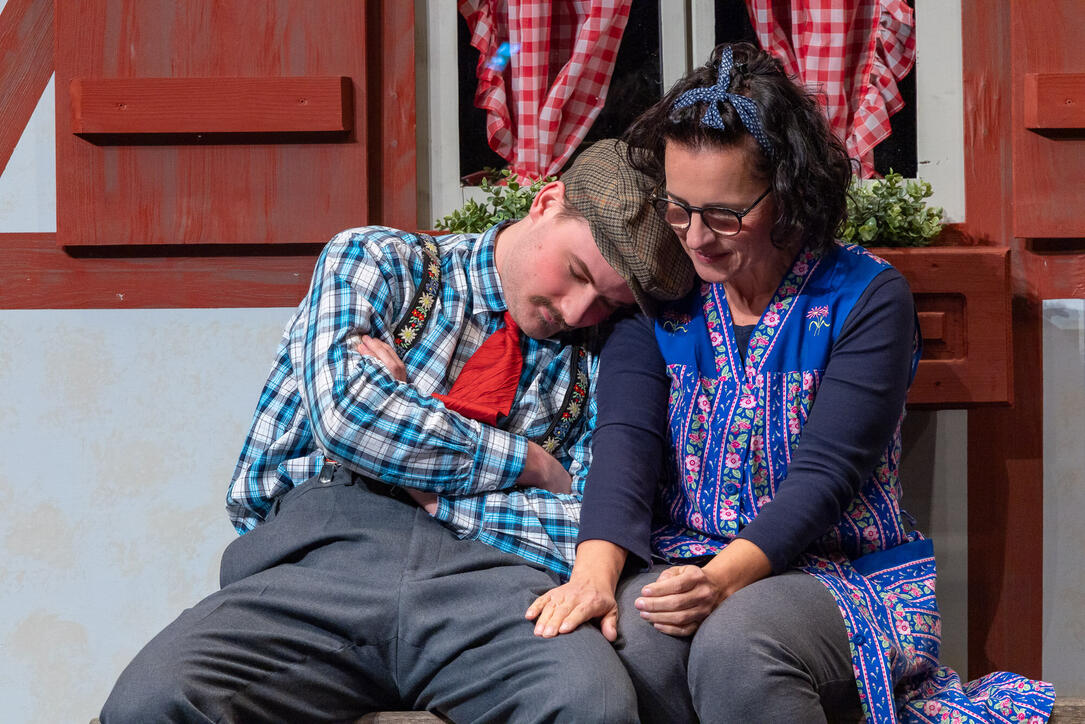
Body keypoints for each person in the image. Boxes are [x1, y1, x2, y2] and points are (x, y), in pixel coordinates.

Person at [526, 43, 1056, 723]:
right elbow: (624, 444)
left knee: (739, 644)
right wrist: (594, 579)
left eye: (724, 214)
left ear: (789, 190)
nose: (695, 238)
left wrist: (719, 583)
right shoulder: (660, 299)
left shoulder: (863, 298)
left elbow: (826, 476)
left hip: (836, 574)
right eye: (676, 208)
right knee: (629, 644)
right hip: (678, 560)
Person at [99, 138, 694, 723]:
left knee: (593, 703)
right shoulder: (379, 261)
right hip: (322, 564)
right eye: (574, 273)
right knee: (151, 701)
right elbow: (349, 417)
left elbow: (590, 517)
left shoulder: (599, 356)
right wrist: (528, 464)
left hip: (497, 586)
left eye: (606, 304)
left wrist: (412, 463)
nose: (575, 312)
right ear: (546, 202)